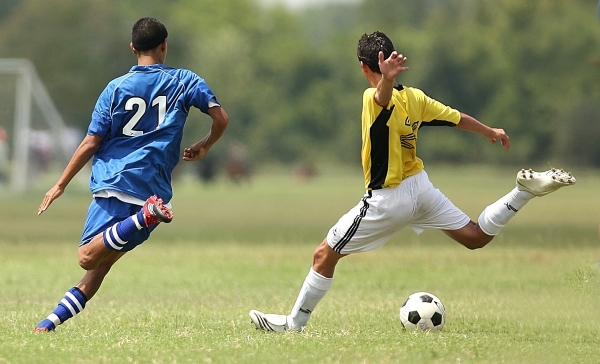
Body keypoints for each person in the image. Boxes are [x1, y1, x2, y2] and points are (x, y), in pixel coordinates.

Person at [249, 31, 575, 332]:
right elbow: (455, 117)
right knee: (475, 237)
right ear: (390, 59)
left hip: (388, 199)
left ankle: (294, 324)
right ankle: (521, 192)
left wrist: (385, 82)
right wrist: (489, 130)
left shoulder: (371, 97)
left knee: (324, 255)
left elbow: (380, 99)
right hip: (421, 187)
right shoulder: (415, 98)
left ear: (364, 67)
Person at [34, 17, 229, 332]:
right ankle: (49, 323)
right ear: (164, 45)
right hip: (154, 187)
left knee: (87, 257)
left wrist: (59, 184)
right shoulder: (185, 81)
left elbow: (91, 142)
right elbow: (221, 118)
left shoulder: (115, 89)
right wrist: (205, 145)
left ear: (132, 48)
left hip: (116, 182)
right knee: (99, 268)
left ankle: (143, 217)